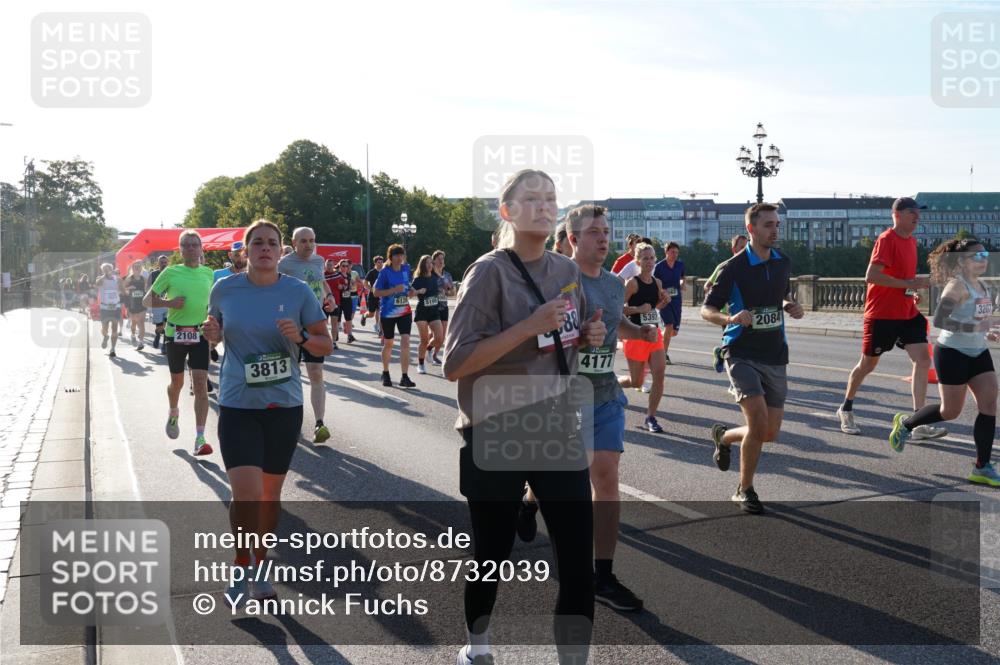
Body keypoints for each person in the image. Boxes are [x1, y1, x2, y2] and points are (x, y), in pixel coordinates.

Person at [444, 169, 604, 665]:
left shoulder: (565, 271)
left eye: (551, 198)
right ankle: (478, 646)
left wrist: (587, 338)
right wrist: (528, 326)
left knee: (578, 563)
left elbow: (561, 345)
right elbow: (455, 364)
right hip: (495, 429)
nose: (544, 205)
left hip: (556, 427)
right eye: (531, 199)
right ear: (507, 212)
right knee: (490, 556)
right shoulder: (487, 273)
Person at [202, 219, 332, 605]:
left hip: (283, 406)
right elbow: (216, 329)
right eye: (257, 243)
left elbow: (326, 344)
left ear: (281, 251)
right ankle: (242, 567)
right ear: (246, 250)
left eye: (271, 243)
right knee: (246, 494)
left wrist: (302, 337)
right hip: (238, 403)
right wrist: (213, 334)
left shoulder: (297, 291)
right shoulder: (224, 289)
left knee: (270, 497)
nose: (264, 249)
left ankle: (261, 564)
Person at [568, 203, 654, 611]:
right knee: (562, 485)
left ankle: (603, 575)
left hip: (603, 395)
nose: (604, 238)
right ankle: (530, 500)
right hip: (562, 398)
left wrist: (639, 329)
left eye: (606, 231)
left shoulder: (614, 284)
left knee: (605, 477)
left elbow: (618, 321)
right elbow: (533, 336)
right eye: (593, 232)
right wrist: (577, 336)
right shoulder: (556, 281)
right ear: (572, 239)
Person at [702, 203, 804, 514]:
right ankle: (744, 489)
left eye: (776, 224)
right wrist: (730, 319)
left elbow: (783, 294)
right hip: (741, 351)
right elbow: (707, 310)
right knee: (758, 422)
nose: (775, 230)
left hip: (775, 353)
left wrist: (790, 305)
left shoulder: (783, 262)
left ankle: (724, 437)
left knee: (769, 433)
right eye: (768, 225)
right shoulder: (732, 268)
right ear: (751, 229)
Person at [888, 239, 1000, 484]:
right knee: (949, 411)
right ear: (961, 262)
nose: (983, 259)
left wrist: (987, 332)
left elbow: (978, 320)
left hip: (978, 351)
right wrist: (976, 326)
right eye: (976, 256)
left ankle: (982, 466)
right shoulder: (956, 287)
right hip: (952, 353)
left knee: (989, 404)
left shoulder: (982, 285)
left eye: (984, 254)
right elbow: (939, 319)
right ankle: (907, 423)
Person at [837, 196, 947, 440]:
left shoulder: (912, 241)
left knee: (922, 360)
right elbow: (872, 276)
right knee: (867, 365)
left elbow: (902, 278)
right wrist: (907, 283)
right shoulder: (887, 239)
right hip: (881, 314)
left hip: (907, 313)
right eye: (912, 213)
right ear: (897, 214)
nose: (917, 217)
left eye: (918, 213)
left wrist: (911, 291)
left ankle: (917, 423)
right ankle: (846, 408)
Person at [144, 230, 215, 455]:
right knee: (177, 383)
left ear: (201, 248)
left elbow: (213, 303)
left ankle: (200, 438)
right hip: (176, 334)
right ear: (180, 250)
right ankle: (173, 412)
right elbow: (147, 300)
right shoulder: (171, 272)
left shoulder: (208, 273)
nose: (192, 248)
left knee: (201, 384)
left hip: (200, 335)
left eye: (195, 245)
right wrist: (170, 302)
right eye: (187, 245)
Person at [277, 227, 337, 444]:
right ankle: (287, 419)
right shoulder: (284, 264)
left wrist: (329, 296)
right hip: (290, 327)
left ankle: (320, 423)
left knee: (316, 373)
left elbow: (321, 281)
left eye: (312, 240)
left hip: (314, 326)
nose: (308, 245)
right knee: (289, 374)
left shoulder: (319, 260)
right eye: (303, 241)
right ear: (294, 243)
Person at [619, 242, 671, 432]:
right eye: (645, 258)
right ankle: (614, 384)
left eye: (652, 258)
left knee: (660, 374)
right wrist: (637, 309)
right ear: (638, 261)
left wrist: (663, 301)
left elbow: (655, 309)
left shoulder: (657, 283)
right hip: (635, 334)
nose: (649, 262)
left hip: (654, 334)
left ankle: (651, 417)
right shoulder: (632, 283)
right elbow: (618, 308)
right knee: (636, 382)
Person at [373, 244, 416, 388]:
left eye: (401, 255)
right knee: (389, 344)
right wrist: (393, 290)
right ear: (390, 257)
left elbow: (407, 286)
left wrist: (412, 291)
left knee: (405, 341)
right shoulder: (385, 272)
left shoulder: (406, 269)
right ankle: (385, 373)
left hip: (404, 311)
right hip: (388, 313)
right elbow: (376, 292)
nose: (399, 258)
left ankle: (405, 376)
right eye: (396, 255)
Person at [707, 234, 750, 372]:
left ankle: (721, 352)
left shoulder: (751, 266)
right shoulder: (726, 266)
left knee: (741, 347)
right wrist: (721, 295)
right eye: (741, 247)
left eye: (747, 247)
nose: (745, 250)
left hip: (745, 313)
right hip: (727, 314)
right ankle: (733, 378)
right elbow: (707, 285)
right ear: (734, 249)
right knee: (733, 347)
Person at [411, 254, 443, 375]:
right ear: (423, 265)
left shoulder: (435, 276)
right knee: (424, 340)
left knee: (440, 337)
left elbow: (441, 266)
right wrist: (419, 291)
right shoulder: (418, 279)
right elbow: (410, 294)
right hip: (422, 312)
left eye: (431, 263)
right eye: (428, 263)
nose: (431, 265)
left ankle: (429, 349)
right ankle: (420, 364)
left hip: (434, 311)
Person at [653, 242, 684, 365]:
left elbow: (682, 277)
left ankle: (657, 338)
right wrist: (662, 291)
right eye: (672, 252)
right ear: (666, 252)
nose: (675, 254)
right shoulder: (659, 266)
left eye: (676, 252)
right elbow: (654, 282)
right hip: (664, 301)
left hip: (677, 300)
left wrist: (681, 283)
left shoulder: (680, 265)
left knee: (673, 332)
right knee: (669, 326)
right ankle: (663, 355)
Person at [430, 250, 455, 365]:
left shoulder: (447, 275)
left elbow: (452, 293)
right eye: (439, 259)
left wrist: (449, 289)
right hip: (432, 306)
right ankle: (427, 349)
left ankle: (433, 353)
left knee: (442, 335)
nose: (441, 261)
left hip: (443, 305)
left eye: (442, 259)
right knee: (436, 334)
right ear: (433, 260)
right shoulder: (429, 274)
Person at [95, 263, 122, 358]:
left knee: (115, 328)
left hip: (115, 307)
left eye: (108, 269)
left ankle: (113, 349)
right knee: (104, 328)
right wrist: (104, 275)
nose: (107, 271)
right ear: (102, 270)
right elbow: (97, 284)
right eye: (104, 269)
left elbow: (122, 290)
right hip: (105, 307)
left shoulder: (117, 279)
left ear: (112, 269)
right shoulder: (100, 279)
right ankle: (106, 336)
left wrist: (121, 283)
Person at [121, 260, 148, 351]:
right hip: (132, 304)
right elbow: (122, 289)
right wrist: (129, 288)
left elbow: (147, 290)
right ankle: (133, 334)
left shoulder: (144, 278)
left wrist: (147, 293)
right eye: (135, 267)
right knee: (134, 323)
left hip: (142, 304)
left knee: (141, 323)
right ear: (132, 268)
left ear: (141, 268)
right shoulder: (129, 278)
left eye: (139, 267)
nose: (137, 268)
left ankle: (141, 342)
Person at [147, 255, 170, 353]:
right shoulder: (153, 274)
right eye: (162, 262)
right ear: (158, 263)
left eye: (165, 262)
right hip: (157, 304)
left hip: (169, 303)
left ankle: (164, 345)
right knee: (160, 327)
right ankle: (157, 334)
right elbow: (147, 287)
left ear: (168, 263)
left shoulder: (171, 273)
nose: (164, 264)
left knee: (167, 325)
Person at [323, 258, 345, 350]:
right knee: (323, 324)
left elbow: (345, 286)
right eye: (327, 265)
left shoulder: (338, 275)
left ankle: (334, 342)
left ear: (333, 266)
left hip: (336, 302)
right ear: (325, 265)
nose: (329, 266)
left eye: (331, 265)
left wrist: (342, 287)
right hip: (324, 303)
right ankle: (324, 341)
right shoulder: (322, 276)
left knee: (334, 323)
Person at [336, 259, 359, 344]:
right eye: (343, 266)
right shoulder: (337, 275)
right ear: (339, 267)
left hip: (347, 298)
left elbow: (352, 285)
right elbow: (338, 287)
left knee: (348, 318)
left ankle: (349, 335)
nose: (345, 267)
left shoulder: (349, 276)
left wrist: (352, 285)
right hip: (338, 300)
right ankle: (336, 334)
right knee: (337, 318)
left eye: (347, 266)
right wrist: (344, 286)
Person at [361, 256, 385, 334]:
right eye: (378, 262)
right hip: (373, 295)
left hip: (382, 295)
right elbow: (365, 283)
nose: (380, 263)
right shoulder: (372, 272)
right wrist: (371, 289)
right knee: (371, 314)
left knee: (380, 311)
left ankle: (379, 327)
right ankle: (364, 316)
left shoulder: (385, 272)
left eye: (381, 262)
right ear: (375, 263)